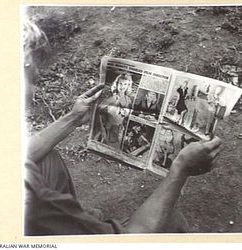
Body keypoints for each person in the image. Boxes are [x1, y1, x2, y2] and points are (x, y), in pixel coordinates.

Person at [24, 19, 223, 235]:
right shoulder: (30, 199)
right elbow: (133, 238)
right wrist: (181, 168)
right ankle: (76, 228)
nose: (34, 93)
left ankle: (73, 220)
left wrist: (73, 118)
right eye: (31, 81)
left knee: (45, 159)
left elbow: (20, 154)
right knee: (170, 223)